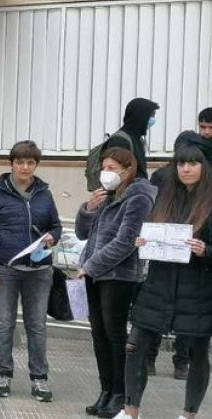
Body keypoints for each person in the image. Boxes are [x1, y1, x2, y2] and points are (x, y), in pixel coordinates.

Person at [118, 141, 212, 419]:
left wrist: (206, 250)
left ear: (204, 167)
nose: (186, 169)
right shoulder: (164, 195)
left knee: (197, 354)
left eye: (193, 163)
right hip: (158, 285)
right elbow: (153, 232)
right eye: (181, 163)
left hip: (198, 290)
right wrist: (144, 241)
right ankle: (130, 410)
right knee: (134, 346)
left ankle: (188, 414)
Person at [0, 140, 62, 402]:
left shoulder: (44, 193)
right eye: (20, 161)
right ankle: (3, 373)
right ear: (11, 163)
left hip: (39, 270)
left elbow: (56, 226)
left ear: (36, 165)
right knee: (4, 324)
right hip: (4, 269)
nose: (25, 167)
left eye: (31, 162)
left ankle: (39, 378)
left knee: (37, 325)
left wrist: (52, 237)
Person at [77, 146, 156, 418]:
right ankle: (106, 390)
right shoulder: (108, 196)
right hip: (94, 274)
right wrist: (88, 208)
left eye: (112, 169)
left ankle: (121, 394)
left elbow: (125, 242)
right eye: (104, 168)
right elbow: (82, 233)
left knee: (115, 335)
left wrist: (90, 266)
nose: (106, 173)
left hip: (119, 276)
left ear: (127, 169)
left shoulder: (138, 198)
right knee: (98, 334)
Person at [105, 98, 161, 182]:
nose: (153, 120)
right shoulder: (120, 141)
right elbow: (114, 175)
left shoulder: (137, 138)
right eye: (151, 115)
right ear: (141, 116)